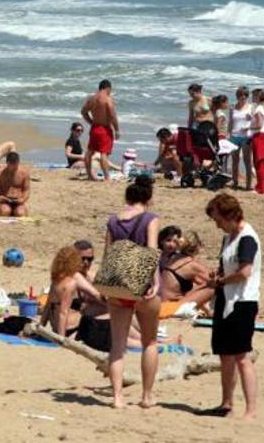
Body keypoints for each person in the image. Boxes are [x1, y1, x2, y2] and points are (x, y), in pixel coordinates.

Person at [199, 194, 260, 420]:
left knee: (242, 356)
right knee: (225, 355)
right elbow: (227, 266)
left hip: (243, 301)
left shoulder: (247, 238)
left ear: (229, 216)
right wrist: (219, 275)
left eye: (218, 219)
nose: (216, 224)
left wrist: (221, 281)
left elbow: (245, 272)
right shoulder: (229, 238)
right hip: (226, 299)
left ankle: (251, 410)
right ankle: (226, 404)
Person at [104, 175, 161, 409]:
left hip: (117, 285)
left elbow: (107, 253)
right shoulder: (150, 219)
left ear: (127, 197)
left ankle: (117, 397)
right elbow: (152, 252)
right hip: (142, 287)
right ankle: (147, 396)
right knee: (150, 341)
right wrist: (155, 282)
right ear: (148, 198)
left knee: (117, 345)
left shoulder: (113, 220)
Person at [157, 227, 214, 316]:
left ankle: (208, 311)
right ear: (197, 247)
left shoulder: (173, 258)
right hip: (170, 308)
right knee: (213, 287)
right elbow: (213, 280)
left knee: (202, 285)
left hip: (160, 305)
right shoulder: (191, 264)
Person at [41, 246, 84, 336]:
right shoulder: (70, 283)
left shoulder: (56, 281)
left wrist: (41, 326)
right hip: (67, 328)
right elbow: (63, 312)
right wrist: (61, 338)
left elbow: (47, 307)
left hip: (55, 326)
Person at [81, 80, 119, 181]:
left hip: (95, 127)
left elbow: (83, 111)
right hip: (104, 129)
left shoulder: (92, 98)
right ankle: (107, 177)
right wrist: (117, 130)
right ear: (108, 88)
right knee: (104, 153)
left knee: (90, 151)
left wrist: (91, 122)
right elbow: (112, 115)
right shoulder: (107, 99)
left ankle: (90, 175)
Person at [249, 89, 264, 194]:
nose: (252, 98)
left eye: (253, 96)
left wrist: (249, 127)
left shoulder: (259, 108)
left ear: (258, 97)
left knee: (258, 163)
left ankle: (260, 188)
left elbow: (259, 125)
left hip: (260, 136)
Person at [0, 152, 31, 217]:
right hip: (5, 200)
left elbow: (27, 190)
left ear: (18, 162)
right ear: (7, 163)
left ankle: (22, 209)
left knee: (20, 213)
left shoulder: (24, 173)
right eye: (11, 165)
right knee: (4, 212)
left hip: (18, 200)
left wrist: (23, 199)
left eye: (15, 164)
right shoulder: (0, 172)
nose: (13, 167)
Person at [230, 86, 254, 191]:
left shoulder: (251, 107)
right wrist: (228, 134)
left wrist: (250, 122)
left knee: (247, 161)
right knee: (235, 161)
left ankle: (248, 185)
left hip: (246, 137)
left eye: (245, 95)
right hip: (234, 136)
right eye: (240, 95)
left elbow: (257, 122)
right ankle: (235, 182)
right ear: (237, 96)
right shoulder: (233, 107)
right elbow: (231, 122)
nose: (242, 97)